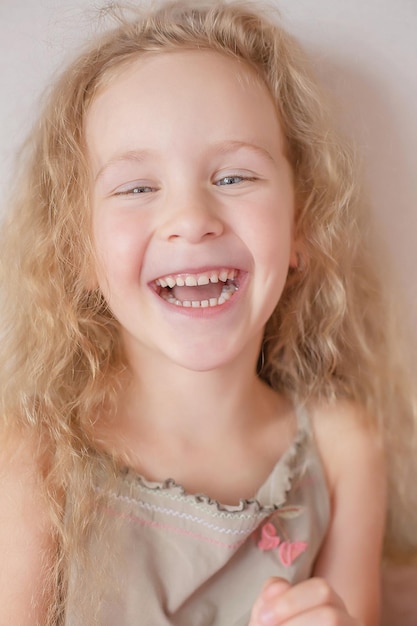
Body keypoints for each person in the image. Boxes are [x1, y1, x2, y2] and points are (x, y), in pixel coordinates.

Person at [0, 1, 416, 624]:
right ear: (77, 251)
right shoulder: (38, 458)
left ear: (302, 223)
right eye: (138, 187)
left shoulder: (343, 449)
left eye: (234, 176)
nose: (192, 220)